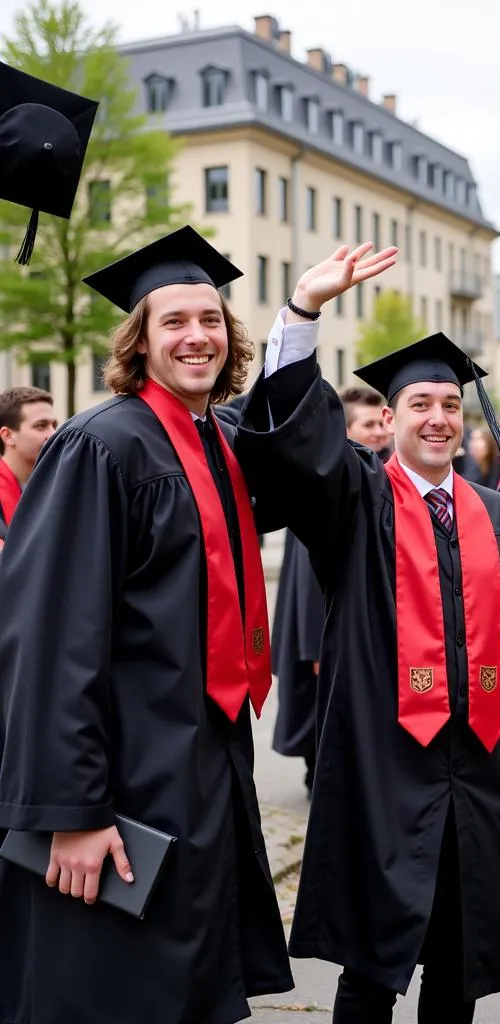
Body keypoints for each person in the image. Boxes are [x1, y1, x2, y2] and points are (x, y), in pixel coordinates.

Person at [233, 242, 500, 1024]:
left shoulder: (499, 517)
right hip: (380, 766)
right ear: (389, 417)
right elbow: (299, 449)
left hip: (484, 771)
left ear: (465, 420)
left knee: (458, 971)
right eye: (420, 404)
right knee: (373, 969)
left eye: (450, 405)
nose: (438, 418)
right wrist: (301, 314)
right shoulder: (357, 502)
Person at [0, 227, 296, 1024]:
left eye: (210, 319)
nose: (196, 335)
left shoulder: (216, 441)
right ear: (139, 340)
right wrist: (72, 812)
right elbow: (51, 636)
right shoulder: (101, 446)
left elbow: (314, 468)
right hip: (122, 781)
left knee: (190, 988)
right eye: (173, 321)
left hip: (203, 763)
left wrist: (299, 318)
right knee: (110, 993)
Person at [271, 385, 389, 796]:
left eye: (382, 423)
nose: (379, 432)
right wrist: (317, 647)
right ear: (347, 430)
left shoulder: (376, 479)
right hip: (325, 628)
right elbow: (307, 577)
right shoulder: (327, 486)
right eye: (368, 424)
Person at [0, 386, 58, 549]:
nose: (53, 434)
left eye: (54, 425)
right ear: (8, 435)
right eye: (41, 425)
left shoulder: (53, 485)